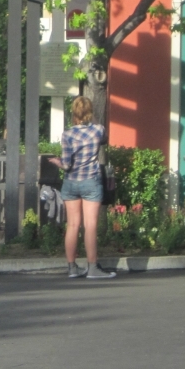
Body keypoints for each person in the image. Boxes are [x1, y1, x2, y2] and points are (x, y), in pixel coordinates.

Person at [49, 96, 116, 280]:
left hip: (71, 183)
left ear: (74, 113)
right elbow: (104, 136)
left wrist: (57, 162)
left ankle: (72, 268)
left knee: (72, 225)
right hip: (91, 181)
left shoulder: (67, 135)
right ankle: (92, 268)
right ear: (90, 112)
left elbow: (66, 165)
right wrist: (91, 117)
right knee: (90, 226)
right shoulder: (98, 131)